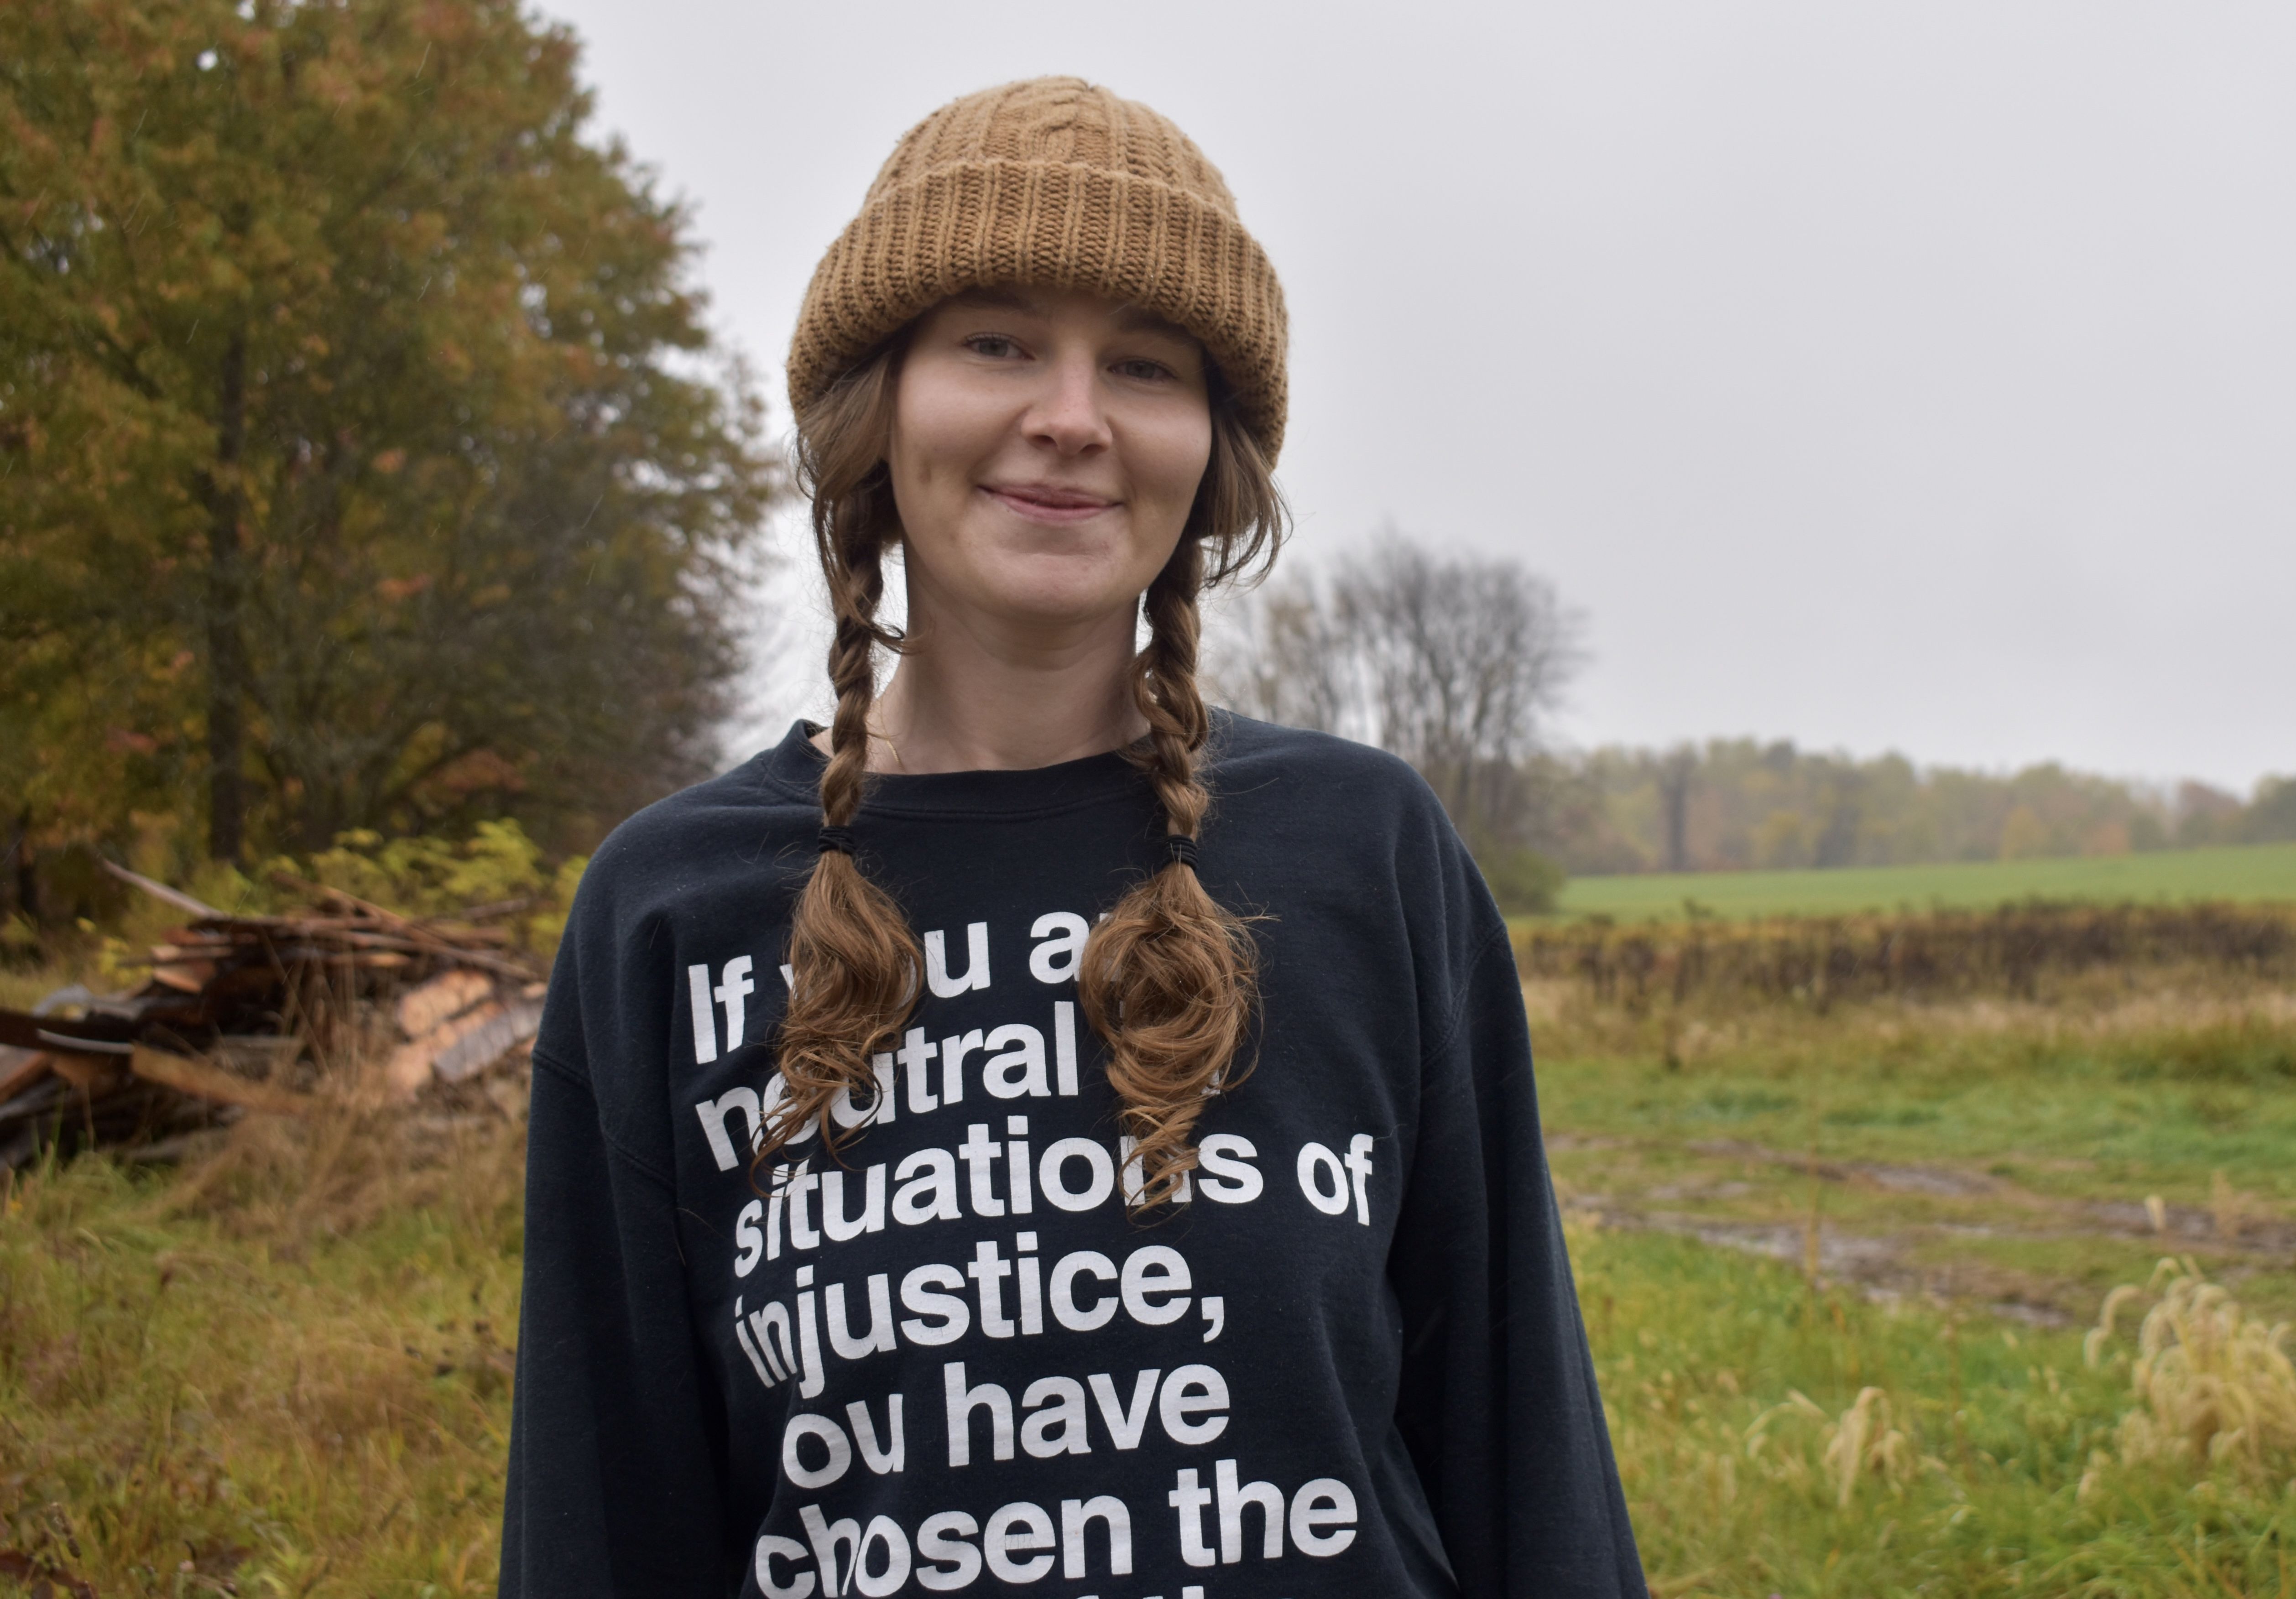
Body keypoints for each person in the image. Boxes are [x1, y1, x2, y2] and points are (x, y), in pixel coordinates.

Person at [498, 76, 1645, 1599]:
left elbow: (1527, 1464)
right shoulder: (669, 912)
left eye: (1147, 365)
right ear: (878, 403)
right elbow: (604, 1521)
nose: (1072, 417)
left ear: (1208, 448)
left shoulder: (1368, 853)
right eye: (998, 341)